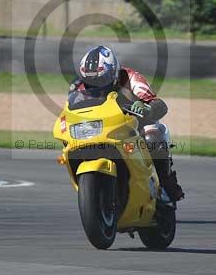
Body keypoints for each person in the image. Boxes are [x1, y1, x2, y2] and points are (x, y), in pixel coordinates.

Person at [70, 45, 185, 201]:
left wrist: (146, 107)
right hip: (101, 127)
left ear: (113, 72)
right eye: (90, 80)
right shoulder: (78, 85)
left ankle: (164, 185)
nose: (95, 85)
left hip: (134, 127)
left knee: (153, 136)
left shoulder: (130, 77)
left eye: (101, 79)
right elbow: (71, 110)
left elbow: (159, 104)